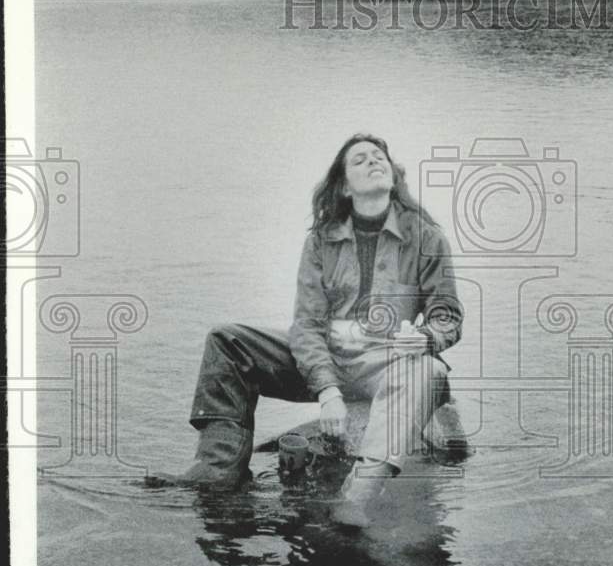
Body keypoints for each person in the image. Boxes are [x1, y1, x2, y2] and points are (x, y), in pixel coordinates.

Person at [147, 133, 463, 526]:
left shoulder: (426, 237)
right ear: (345, 186)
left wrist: (429, 336)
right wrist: (328, 391)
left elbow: (447, 313)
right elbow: (308, 325)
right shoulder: (321, 241)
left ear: (394, 176)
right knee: (227, 341)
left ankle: (357, 496)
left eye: (379, 157)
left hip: (386, 364)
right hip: (326, 358)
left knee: (430, 370)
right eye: (360, 159)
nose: (374, 162)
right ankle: (218, 473)